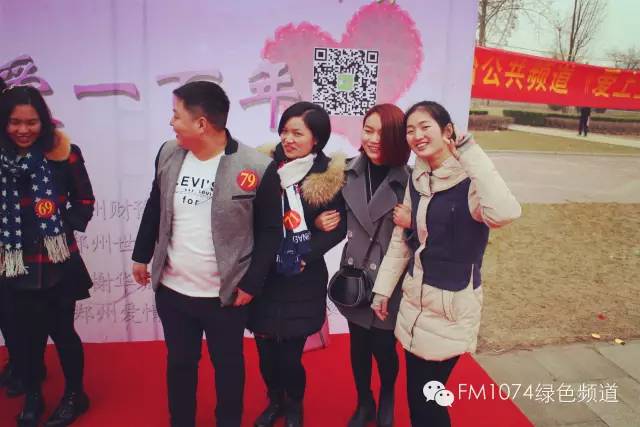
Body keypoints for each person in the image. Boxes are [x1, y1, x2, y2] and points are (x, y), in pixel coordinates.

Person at [131, 81, 282, 427]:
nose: (171, 122)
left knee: (228, 367)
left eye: (176, 115)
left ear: (201, 123)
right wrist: (141, 254)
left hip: (225, 297)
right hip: (173, 291)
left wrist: (252, 283)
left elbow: (270, 230)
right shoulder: (169, 153)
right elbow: (155, 206)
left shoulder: (256, 166)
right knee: (180, 364)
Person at [371, 101, 521, 427]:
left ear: (447, 130)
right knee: (419, 399)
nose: (417, 135)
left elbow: (504, 213)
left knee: (428, 404)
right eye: (411, 130)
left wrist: (469, 151)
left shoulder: (470, 182)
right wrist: (383, 289)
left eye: (425, 126)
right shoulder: (418, 177)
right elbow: (402, 242)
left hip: (450, 305)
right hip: (414, 304)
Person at [0, 85, 95, 427]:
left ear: (43, 121)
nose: (23, 130)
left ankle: (74, 395)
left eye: (31, 122)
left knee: (63, 333)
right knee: (22, 338)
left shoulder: (63, 154)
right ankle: (33, 396)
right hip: (11, 262)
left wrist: (58, 228)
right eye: (14, 122)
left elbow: (85, 201)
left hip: (56, 262)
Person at [247, 101, 346, 427]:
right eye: (284, 131)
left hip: (302, 278)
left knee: (290, 357)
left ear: (316, 138)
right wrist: (310, 223)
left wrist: (304, 253)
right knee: (265, 354)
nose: (287, 139)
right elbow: (248, 217)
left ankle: (294, 405)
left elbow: (338, 227)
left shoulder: (328, 175)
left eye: (297, 133)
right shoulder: (261, 166)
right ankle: (274, 400)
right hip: (264, 274)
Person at [314, 104, 411, 427]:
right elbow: (323, 211)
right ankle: (364, 401)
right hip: (355, 276)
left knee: (384, 347)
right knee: (358, 345)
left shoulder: (411, 181)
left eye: (383, 133)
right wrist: (318, 222)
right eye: (368, 130)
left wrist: (412, 223)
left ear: (398, 137)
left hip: (389, 280)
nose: (373, 139)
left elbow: (429, 232)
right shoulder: (345, 172)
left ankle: (387, 396)